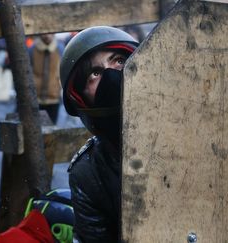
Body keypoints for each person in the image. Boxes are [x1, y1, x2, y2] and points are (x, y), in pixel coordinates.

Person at [59, 26, 138, 242]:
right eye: (95, 73)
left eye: (119, 61)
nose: (113, 75)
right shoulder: (88, 173)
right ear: (81, 97)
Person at [28, 34, 65, 124]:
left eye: (50, 33)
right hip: (36, 98)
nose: (47, 36)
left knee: (51, 127)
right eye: (44, 33)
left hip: (53, 97)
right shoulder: (32, 49)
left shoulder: (60, 49)